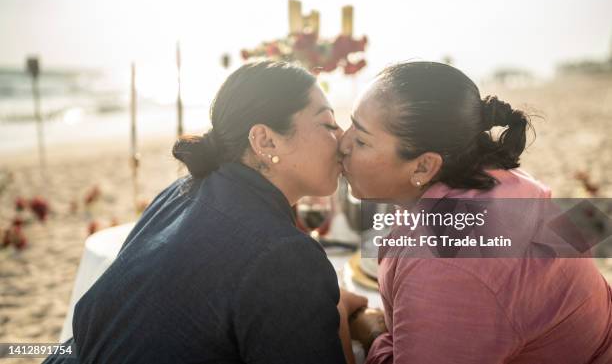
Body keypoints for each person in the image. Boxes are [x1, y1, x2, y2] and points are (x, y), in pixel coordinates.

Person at [44, 60, 366, 364]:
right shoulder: (285, 257)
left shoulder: (184, 190)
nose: (342, 140)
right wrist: (338, 315)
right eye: (328, 123)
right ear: (265, 141)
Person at [340, 61, 612, 363]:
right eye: (350, 123)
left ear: (424, 166)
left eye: (361, 140)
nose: (342, 143)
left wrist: (371, 334)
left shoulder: (448, 262)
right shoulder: (494, 180)